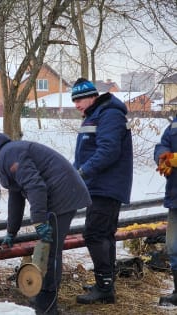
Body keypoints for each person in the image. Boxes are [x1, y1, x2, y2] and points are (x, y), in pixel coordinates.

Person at [0, 132, 91, 315]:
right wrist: (11, 232)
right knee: (48, 249)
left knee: (50, 251)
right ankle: (42, 298)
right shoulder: (6, 156)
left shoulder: (9, 155)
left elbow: (35, 186)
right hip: (57, 193)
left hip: (62, 195)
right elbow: (16, 197)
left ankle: (47, 306)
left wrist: (39, 221)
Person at [72, 78, 133, 304]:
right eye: (74, 100)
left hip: (107, 186)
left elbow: (108, 151)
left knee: (95, 234)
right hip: (100, 185)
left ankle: (105, 287)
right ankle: (105, 284)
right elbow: (85, 154)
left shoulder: (109, 115)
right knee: (105, 234)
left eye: (79, 99)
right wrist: (72, 172)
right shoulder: (96, 114)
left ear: (93, 96)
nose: (76, 104)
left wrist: (82, 173)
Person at [154, 117, 177, 306]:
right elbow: (162, 144)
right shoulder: (175, 122)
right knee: (173, 246)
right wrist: (163, 156)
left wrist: (174, 159)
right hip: (175, 197)